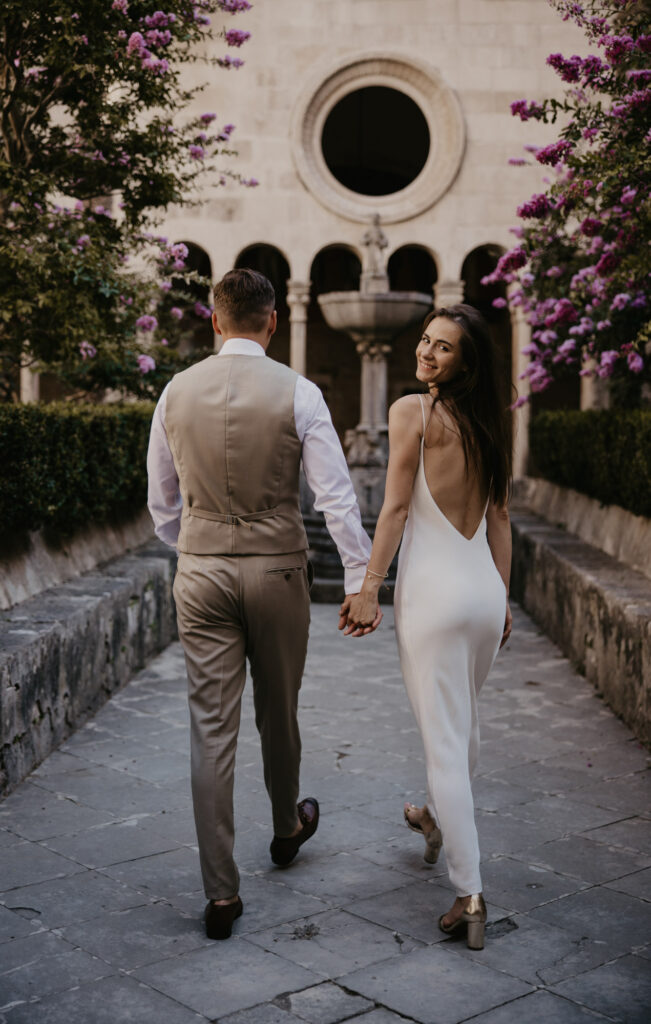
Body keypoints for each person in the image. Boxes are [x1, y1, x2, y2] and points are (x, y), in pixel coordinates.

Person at [147, 268, 378, 940]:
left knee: (209, 730)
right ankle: (285, 829)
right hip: (277, 572)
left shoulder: (174, 392)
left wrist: (198, 546)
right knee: (279, 711)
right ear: (271, 321)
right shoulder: (298, 392)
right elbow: (335, 496)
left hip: (201, 569)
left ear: (213, 320)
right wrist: (361, 580)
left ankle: (220, 895)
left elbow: (162, 502)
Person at [340, 304, 512, 951]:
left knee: (445, 743)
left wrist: (366, 588)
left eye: (443, 348)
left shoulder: (411, 413)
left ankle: (468, 892)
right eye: (425, 341)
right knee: (459, 725)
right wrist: (502, 599)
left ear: (464, 362)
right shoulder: (493, 423)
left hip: (434, 601)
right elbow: (498, 520)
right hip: (482, 595)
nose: (426, 353)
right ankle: (432, 819)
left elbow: (390, 511)